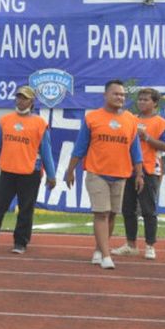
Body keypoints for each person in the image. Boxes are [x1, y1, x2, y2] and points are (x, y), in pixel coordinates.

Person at [64, 79, 144, 270]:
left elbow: (136, 150)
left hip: (121, 174)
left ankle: (99, 250)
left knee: (112, 215)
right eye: (116, 94)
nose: (120, 97)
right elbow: (80, 147)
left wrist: (139, 174)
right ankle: (107, 256)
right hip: (96, 173)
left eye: (123, 95)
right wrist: (70, 171)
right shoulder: (92, 118)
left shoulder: (131, 120)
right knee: (102, 213)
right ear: (105, 95)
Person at [0, 86, 56, 255]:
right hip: (8, 172)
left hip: (30, 173)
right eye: (18, 97)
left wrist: (51, 175)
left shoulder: (40, 123)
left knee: (25, 209)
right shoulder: (5, 120)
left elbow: (46, 150)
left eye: (24, 98)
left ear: (32, 102)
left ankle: (20, 243)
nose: (20, 100)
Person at [112, 88, 165, 260]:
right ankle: (131, 244)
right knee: (127, 209)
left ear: (155, 103)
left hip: (149, 170)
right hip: (128, 169)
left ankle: (150, 246)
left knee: (148, 210)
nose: (141, 102)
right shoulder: (131, 120)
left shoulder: (161, 122)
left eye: (146, 99)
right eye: (140, 99)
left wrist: (147, 138)